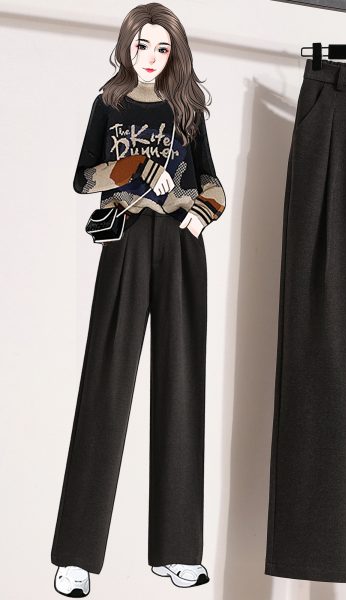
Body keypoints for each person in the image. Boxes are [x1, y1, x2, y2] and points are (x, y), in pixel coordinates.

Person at [51, 4, 225, 596]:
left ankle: (178, 551)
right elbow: (84, 177)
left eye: (162, 48)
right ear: (127, 45)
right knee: (106, 385)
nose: (150, 56)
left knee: (181, 388)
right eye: (142, 45)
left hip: (181, 247)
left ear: (175, 53)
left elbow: (211, 181)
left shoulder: (188, 109)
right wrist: (131, 169)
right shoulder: (109, 104)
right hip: (123, 240)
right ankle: (76, 557)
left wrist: (201, 214)